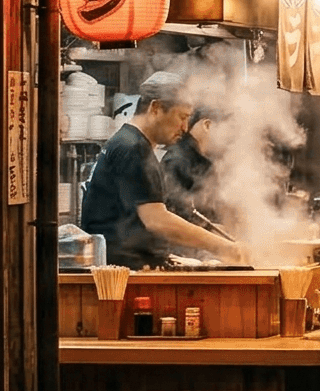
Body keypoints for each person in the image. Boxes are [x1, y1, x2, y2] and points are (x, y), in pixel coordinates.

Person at [77, 72, 239, 267]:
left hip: (128, 266)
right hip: (126, 272)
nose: (185, 127)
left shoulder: (128, 142)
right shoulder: (132, 148)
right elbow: (158, 221)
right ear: (156, 108)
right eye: (182, 117)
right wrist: (226, 248)